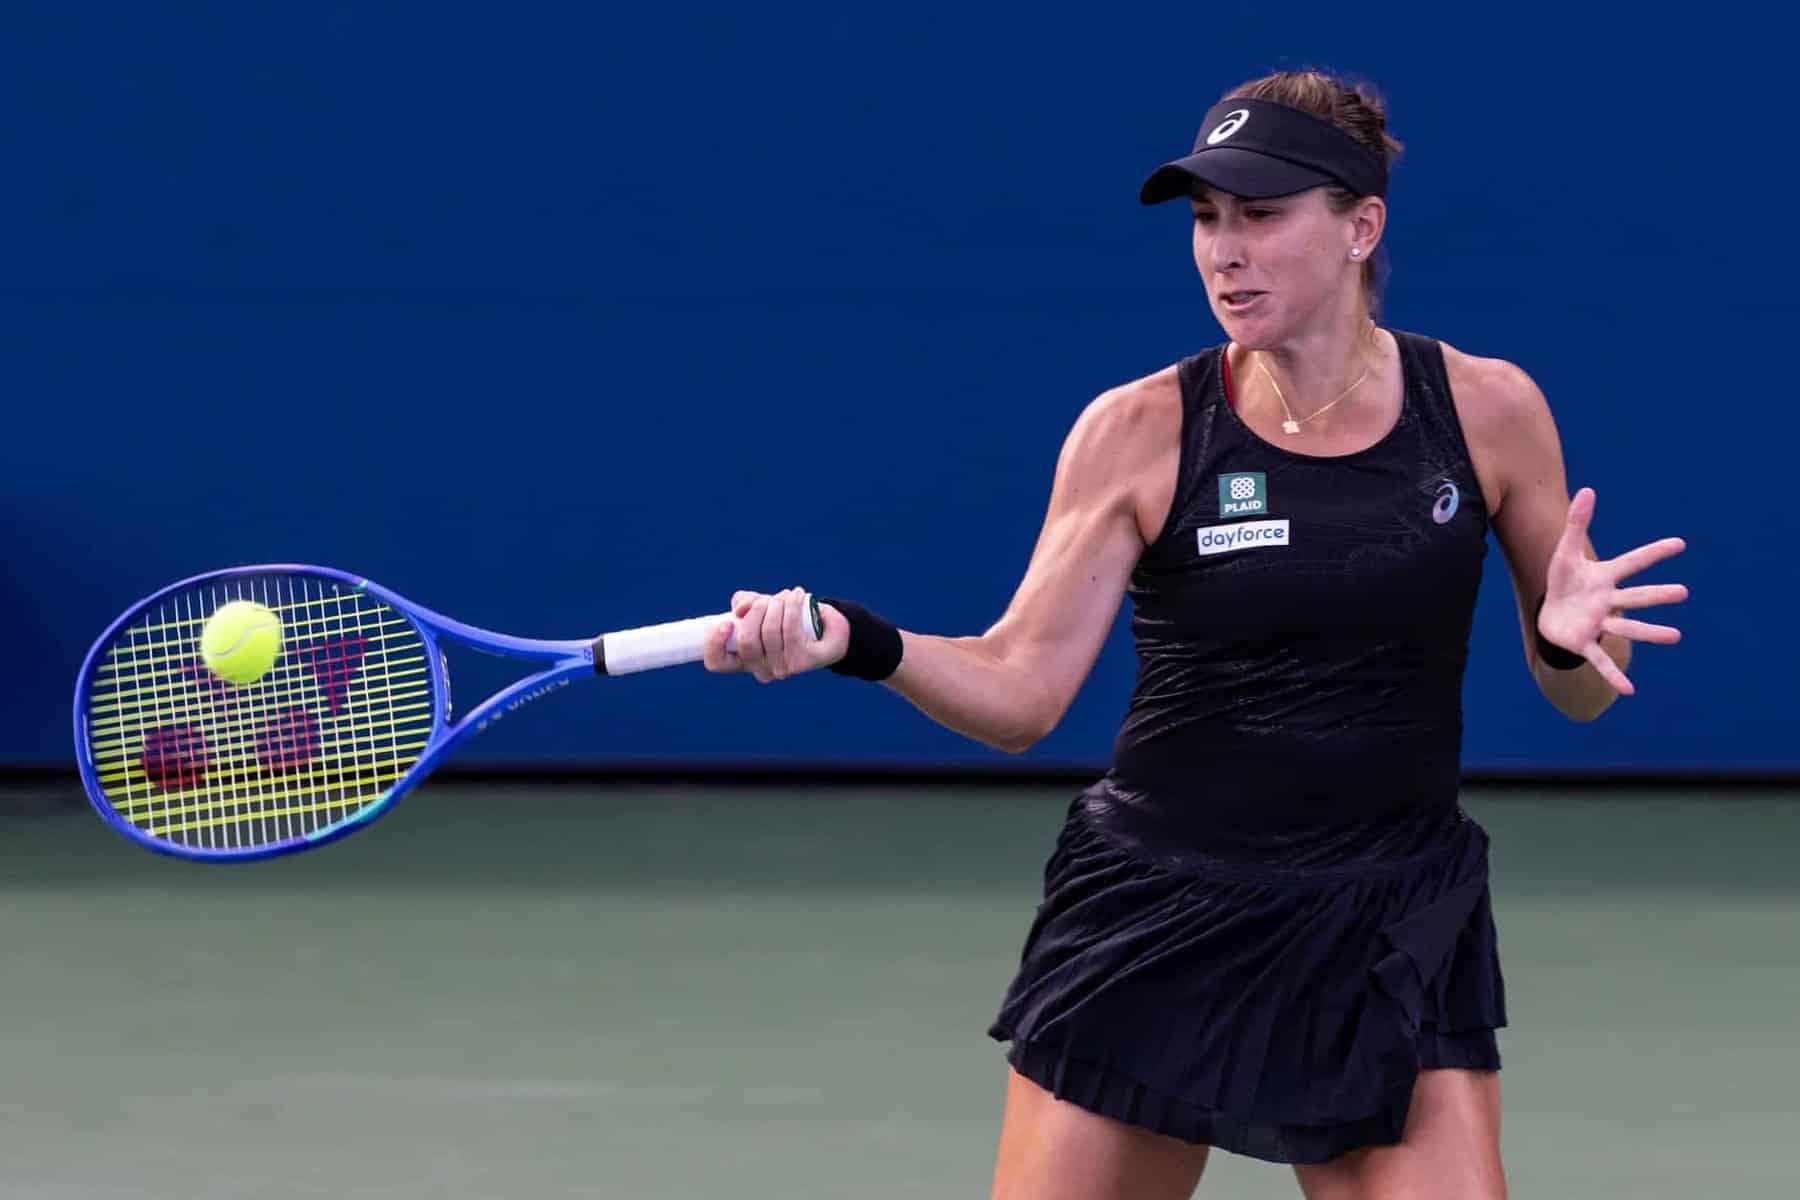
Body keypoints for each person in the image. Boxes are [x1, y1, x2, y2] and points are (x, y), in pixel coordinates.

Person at [701, 69, 1688, 1200]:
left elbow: (1584, 693)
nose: (1225, 251)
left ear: (1362, 227)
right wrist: (856, 640)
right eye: (1208, 219)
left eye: (1261, 215)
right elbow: (1020, 691)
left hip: (1387, 919)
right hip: (1160, 910)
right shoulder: (1140, 430)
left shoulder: (1485, 409)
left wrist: (1566, 643)